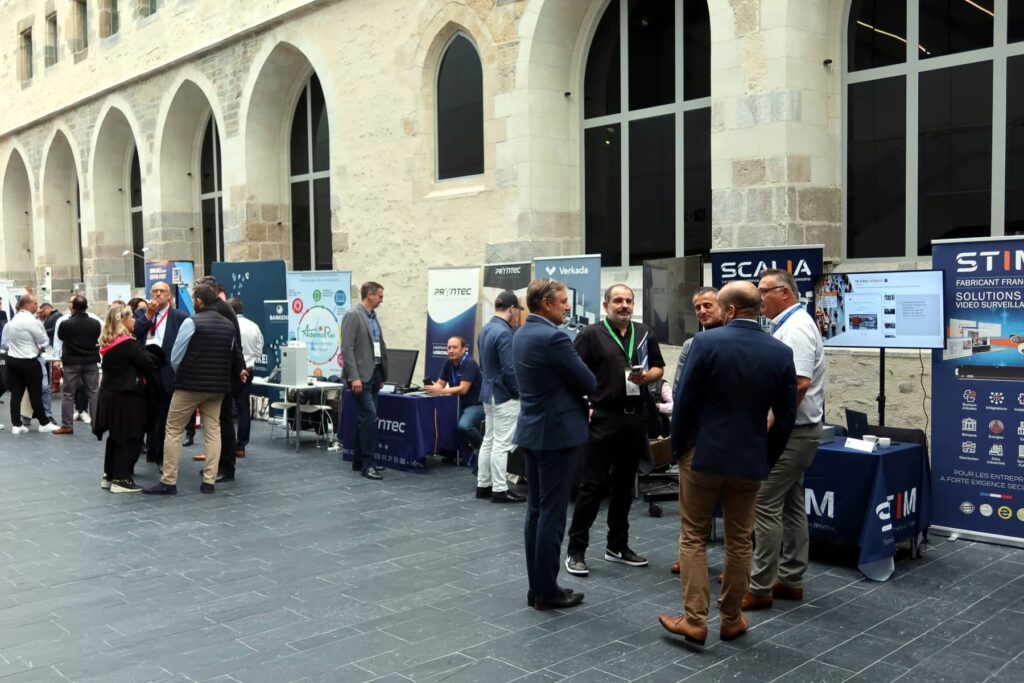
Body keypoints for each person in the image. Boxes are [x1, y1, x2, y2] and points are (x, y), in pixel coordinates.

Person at [659, 281, 796, 645]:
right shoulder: (780, 352)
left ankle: (695, 620)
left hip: (702, 456)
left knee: (692, 537)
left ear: (730, 311)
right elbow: (785, 417)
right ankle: (732, 619)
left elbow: (684, 403)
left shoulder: (704, 344)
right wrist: (767, 457)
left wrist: (678, 451)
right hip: (749, 460)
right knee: (740, 541)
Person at [565, 284, 665, 577]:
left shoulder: (645, 332)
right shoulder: (590, 335)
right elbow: (572, 373)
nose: (624, 305)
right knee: (593, 486)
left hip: (634, 420)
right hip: (604, 419)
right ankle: (576, 551)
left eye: (628, 301)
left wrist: (648, 377)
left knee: (624, 486)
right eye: (618, 300)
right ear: (606, 304)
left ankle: (617, 546)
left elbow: (659, 367)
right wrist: (586, 404)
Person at [744, 269, 826, 610]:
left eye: (764, 291)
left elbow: (799, 384)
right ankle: (790, 579)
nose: (759, 298)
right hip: (797, 432)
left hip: (793, 433)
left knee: (763, 502)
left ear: (785, 293)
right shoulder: (788, 325)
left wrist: (773, 425)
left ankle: (760, 585)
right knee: (791, 505)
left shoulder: (797, 328)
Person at [513, 278, 596, 610]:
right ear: (546, 303)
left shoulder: (521, 333)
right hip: (557, 435)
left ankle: (538, 588)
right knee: (552, 513)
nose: (567, 305)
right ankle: (547, 591)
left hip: (533, 431)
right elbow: (588, 380)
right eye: (562, 301)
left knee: (536, 510)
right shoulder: (553, 337)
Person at [143, 284, 245, 495]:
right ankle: (209, 480)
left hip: (190, 384)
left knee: (172, 430)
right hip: (217, 386)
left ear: (198, 300)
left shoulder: (192, 322)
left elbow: (176, 356)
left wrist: (182, 373)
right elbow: (231, 354)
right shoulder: (228, 325)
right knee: (213, 430)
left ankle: (169, 480)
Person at [670, 286, 724, 575]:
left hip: (728, 436)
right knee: (691, 507)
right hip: (696, 436)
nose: (703, 311)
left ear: (724, 306)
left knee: (735, 509)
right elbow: (679, 389)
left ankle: (735, 565)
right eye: (698, 307)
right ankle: (690, 554)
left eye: (708, 305)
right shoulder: (692, 345)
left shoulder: (740, 340)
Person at [93, 305, 159, 493]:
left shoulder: (109, 343)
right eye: (132, 317)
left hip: (110, 394)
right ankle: (122, 479)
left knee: (115, 436)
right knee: (129, 435)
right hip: (127, 396)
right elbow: (148, 364)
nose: (135, 321)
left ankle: (109, 475)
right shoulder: (127, 344)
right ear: (123, 320)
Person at [475, 290, 524, 503]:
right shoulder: (504, 333)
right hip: (504, 395)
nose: (517, 315)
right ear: (512, 309)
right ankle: (499, 488)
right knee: (502, 444)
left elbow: (484, 365)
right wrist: (518, 394)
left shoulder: (485, 329)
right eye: (517, 311)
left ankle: (483, 485)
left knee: (489, 440)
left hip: (488, 392)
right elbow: (509, 369)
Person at [133, 281, 190, 466]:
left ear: (169, 296)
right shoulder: (141, 313)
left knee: (164, 415)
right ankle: (145, 450)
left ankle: (161, 457)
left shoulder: (179, 316)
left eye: (162, 291)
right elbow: (135, 332)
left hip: (166, 370)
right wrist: (149, 314)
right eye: (154, 291)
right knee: (144, 414)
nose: (158, 294)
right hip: (144, 368)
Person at [340, 281, 388, 481]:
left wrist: (382, 375)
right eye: (380, 296)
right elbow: (347, 348)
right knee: (369, 419)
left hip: (374, 375)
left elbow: (377, 346)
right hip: (360, 377)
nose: (381, 300)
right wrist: (354, 377)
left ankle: (359, 460)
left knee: (365, 419)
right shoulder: (353, 315)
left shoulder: (373, 318)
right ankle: (368, 464)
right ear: (370, 295)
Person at [0, 294, 59, 433]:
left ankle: (16, 424)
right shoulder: (32, 321)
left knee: (16, 393)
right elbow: (42, 340)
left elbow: (6, 343)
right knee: (35, 393)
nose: (37, 306)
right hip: (29, 361)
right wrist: (39, 346)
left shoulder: (13, 321)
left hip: (13, 360)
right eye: (35, 303)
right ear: (27, 305)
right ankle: (44, 423)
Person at [424, 336, 484, 462]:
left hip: (474, 405)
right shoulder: (448, 363)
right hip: (456, 405)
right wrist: (431, 388)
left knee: (464, 426)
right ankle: (451, 452)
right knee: (440, 421)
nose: (451, 350)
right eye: (449, 347)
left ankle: (484, 451)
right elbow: (440, 384)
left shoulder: (469, 363)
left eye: (455, 347)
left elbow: (463, 389)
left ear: (464, 349)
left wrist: (441, 391)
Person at [52, 296, 101, 435]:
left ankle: (67, 425)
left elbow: (61, 337)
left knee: (68, 394)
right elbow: (97, 336)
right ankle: (96, 424)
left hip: (72, 362)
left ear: (72, 307)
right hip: (90, 361)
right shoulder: (95, 323)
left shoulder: (66, 323)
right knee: (93, 393)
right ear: (86, 306)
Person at [230, 297, 264, 460]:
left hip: (231, 371)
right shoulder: (254, 326)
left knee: (224, 409)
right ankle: (241, 445)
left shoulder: (229, 325)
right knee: (243, 408)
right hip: (249, 370)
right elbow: (259, 350)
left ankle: (226, 445)